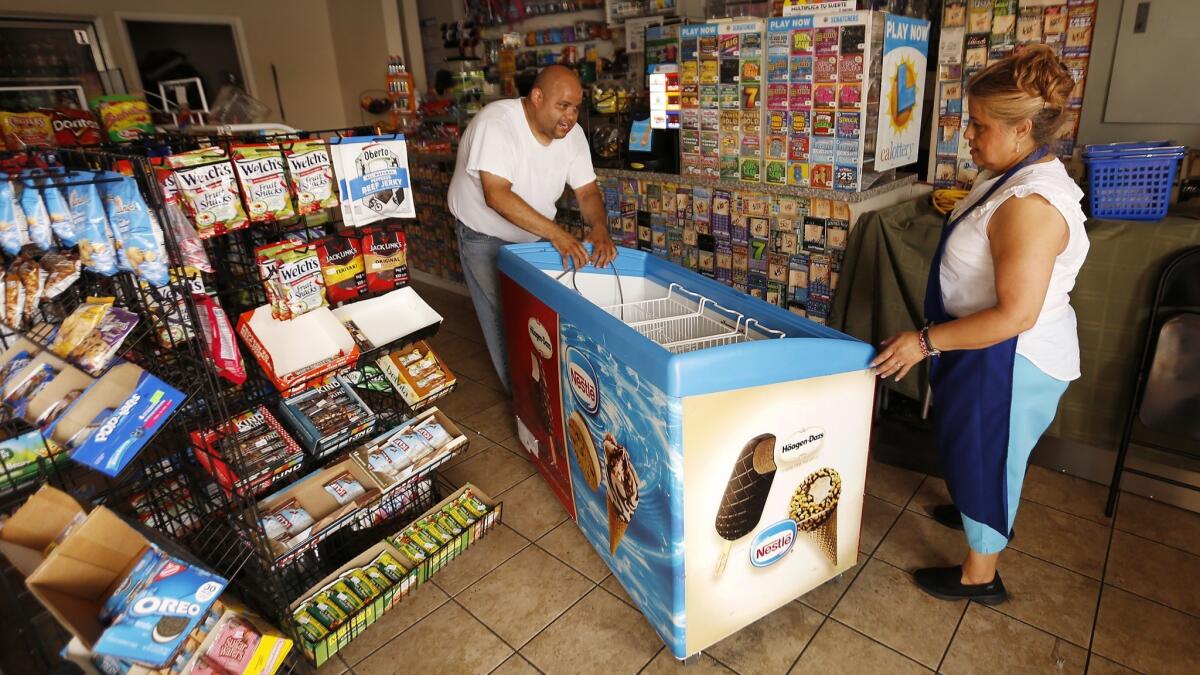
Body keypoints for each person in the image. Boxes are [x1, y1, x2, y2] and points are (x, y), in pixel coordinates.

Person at [870, 45, 1088, 604]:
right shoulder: (1013, 171)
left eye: (979, 125)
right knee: (973, 448)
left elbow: (1015, 314)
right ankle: (974, 508)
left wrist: (923, 343)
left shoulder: (1032, 205)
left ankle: (979, 574)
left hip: (1012, 359)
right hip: (986, 349)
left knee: (991, 456)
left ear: (1022, 132)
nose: (968, 135)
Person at [448, 65, 616, 392]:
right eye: (562, 106)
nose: (570, 116)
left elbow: (586, 191)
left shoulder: (573, 136)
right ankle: (523, 401)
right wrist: (556, 233)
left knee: (536, 314)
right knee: (504, 319)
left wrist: (598, 226)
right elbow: (496, 195)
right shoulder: (496, 124)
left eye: (576, 107)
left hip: (531, 234)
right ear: (537, 97)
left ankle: (544, 393)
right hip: (483, 235)